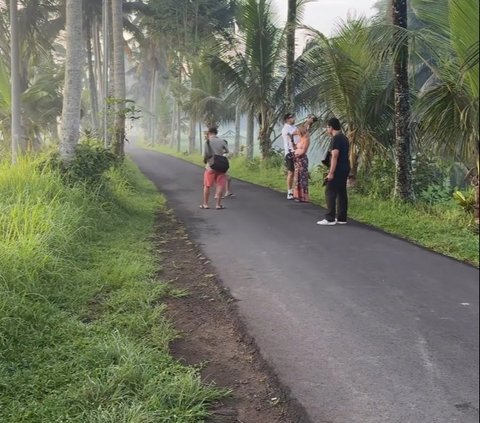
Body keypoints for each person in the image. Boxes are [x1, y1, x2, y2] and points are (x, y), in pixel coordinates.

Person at [317, 117, 350, 225]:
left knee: (330, 191)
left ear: (331, 127)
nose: (327, 130)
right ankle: (342, 218)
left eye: (327, 127)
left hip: (338, 168)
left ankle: (330, 218)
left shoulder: (336, 138)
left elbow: (335, 156)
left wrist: (331, 173)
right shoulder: (344, 138)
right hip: (345, 168)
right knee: (341, 192)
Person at [200, 127, 229, 210]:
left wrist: (206, 161)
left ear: (209, 133)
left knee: (207, 185)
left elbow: (205, 154)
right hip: (221, 165)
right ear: (216, 133)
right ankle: (218, 205)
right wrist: (219, 153)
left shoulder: (207, 142)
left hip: (210, 166)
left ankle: (205, 204)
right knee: (220, 185)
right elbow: (227, 151)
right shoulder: (222, 141)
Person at [282, 113, 298, 200]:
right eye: (292, 118)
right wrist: (307, 123)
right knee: (291, 172)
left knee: (297, 172)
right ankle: (289, 191)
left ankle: (296, 191)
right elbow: (293, 134)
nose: (294, 119)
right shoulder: (285, 129)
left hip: (297, 151)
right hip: (289, 152)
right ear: (288, 119)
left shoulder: (294, 127)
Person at [293, 125, 310, 202]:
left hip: (302, 159)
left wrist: (297, 155)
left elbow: (304, 150)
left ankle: (303, 196)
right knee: (297, 176)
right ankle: (297, 195)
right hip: (297, 159)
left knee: (303, 177)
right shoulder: (300, 139)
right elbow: (296, 147)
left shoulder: (306, 139)